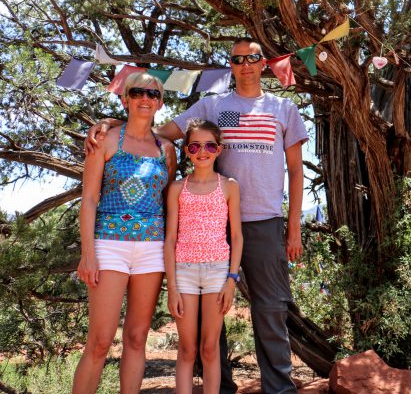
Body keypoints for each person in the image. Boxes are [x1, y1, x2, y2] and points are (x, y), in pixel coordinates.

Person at [87, 39, 307, 394]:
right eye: (237, 60)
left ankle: (279, 389)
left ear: (264, 63)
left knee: (270, 310)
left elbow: (296, 171)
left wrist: (293, 225)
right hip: (212, 223)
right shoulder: (214, 105)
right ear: (231, 66)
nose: (245, 65)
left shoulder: (284, 109)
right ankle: (219, 389)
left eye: (252, 58)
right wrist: (113, 125)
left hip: (264, 221)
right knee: (208, 316)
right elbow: (155, 133)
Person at [73, 73, 177, 394]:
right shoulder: (104, 140)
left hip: (151, 251)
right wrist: (87, 253)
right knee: (100, 341)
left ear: (159, 103)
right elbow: (89, 198)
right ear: (125, 99)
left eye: (153, 93)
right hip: (108, 246)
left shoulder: (167, 151)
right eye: (137, 92)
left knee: (137, 337)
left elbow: (168, 203)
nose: (145, 98)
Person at [165, 119, 243, 394]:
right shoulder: (177, 189)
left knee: (209, 349)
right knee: (187, 349)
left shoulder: (229, 186)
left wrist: (231, 280)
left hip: (218, 272)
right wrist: (171, 287)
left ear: (219, 150)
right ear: (187, 150)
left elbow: (236, 237)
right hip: (184, 272)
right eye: (195, 146)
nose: (202, 151)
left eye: (210, 145)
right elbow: (171, 238)